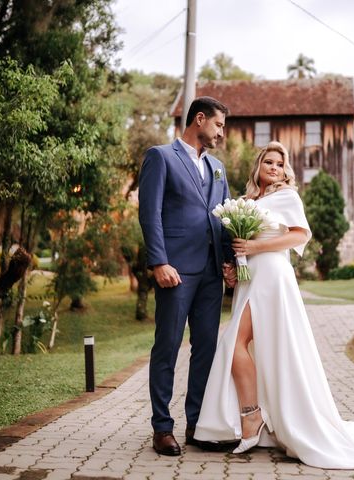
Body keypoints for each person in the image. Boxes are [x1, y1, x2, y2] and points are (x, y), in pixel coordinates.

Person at [193, 141, 354, 469]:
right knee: (247, 345)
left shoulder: (288, 197)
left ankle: (252, 418)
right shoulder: (248, 201)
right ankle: (255, 417)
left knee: (234, 342)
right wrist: (234, 264)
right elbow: (238, 246)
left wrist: (255, 246)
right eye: (268, 161)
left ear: (286, 170)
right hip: (250, 278)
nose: (273, 167)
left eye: (279, 164)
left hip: (272, 276)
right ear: (258, 166)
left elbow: (300, 236)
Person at [138, 96, 237, 456]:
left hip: (211, 273)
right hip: (175, 272)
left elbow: (224, 218)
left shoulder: (218, 168)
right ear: (199, 119)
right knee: (167, 346)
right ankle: (162, 428)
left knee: (206, 350)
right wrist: (158, 262)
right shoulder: (160, 156)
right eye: (219, 125)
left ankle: (198, 424)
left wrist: (228, 263)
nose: (222, 133)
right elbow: (150, 214)